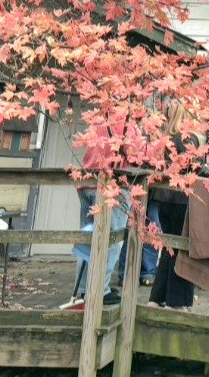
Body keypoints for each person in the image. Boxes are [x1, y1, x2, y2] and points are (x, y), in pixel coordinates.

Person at [148, 99, 202, 311]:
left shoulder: (166, 139)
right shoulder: (189, 139)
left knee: (168, 247)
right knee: (182, 250)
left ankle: (157, 297)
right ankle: (176, 302)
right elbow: (195, 170)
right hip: (182, 199)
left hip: (163, 198)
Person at [75, 124, 130, 306]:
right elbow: (138, 155)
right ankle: (100, 291)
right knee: (112, 241)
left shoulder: (99, 120)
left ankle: (84, 289)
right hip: (111, 187)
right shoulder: (127, 124)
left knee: (86, 239)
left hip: (87, 183)